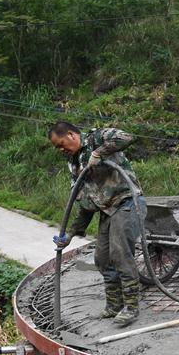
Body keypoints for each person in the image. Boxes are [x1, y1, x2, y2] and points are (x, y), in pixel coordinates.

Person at [47, 121, 146, 326]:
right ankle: (114, 305)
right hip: (107, 210)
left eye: (61, 144)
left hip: (128, 201)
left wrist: (100, 152)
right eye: (57, 148)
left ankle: (131, 307)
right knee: (102, 258)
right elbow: (85, 201)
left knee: (120, 254)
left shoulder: (96, 138)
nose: (61, 149)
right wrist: (71, 233)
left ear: (72, 135)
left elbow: (127, 136)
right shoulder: (74, 163)